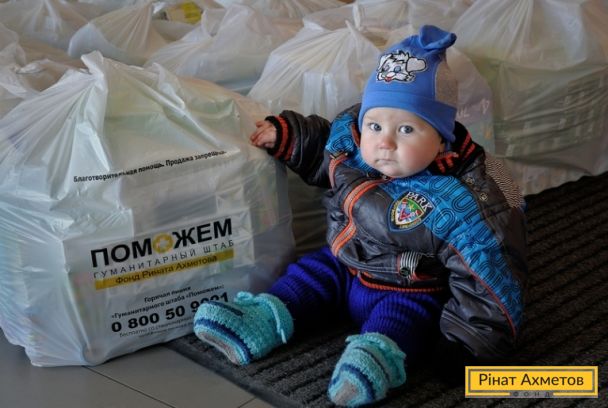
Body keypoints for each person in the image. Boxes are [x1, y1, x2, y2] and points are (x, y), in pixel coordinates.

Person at [193, 25, 527, 407]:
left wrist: (471, 344)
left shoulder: (467, 197)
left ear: (441, 140)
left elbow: (491, 273)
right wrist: (288, 136)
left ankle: (374, 359)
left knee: (404, 320)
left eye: (406, 129)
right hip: (345, 263)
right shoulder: (353, 143)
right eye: (375, 125)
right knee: (308, 274)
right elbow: (324, 150)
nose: (384, 142)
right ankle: (263, 318)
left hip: (408, 286)